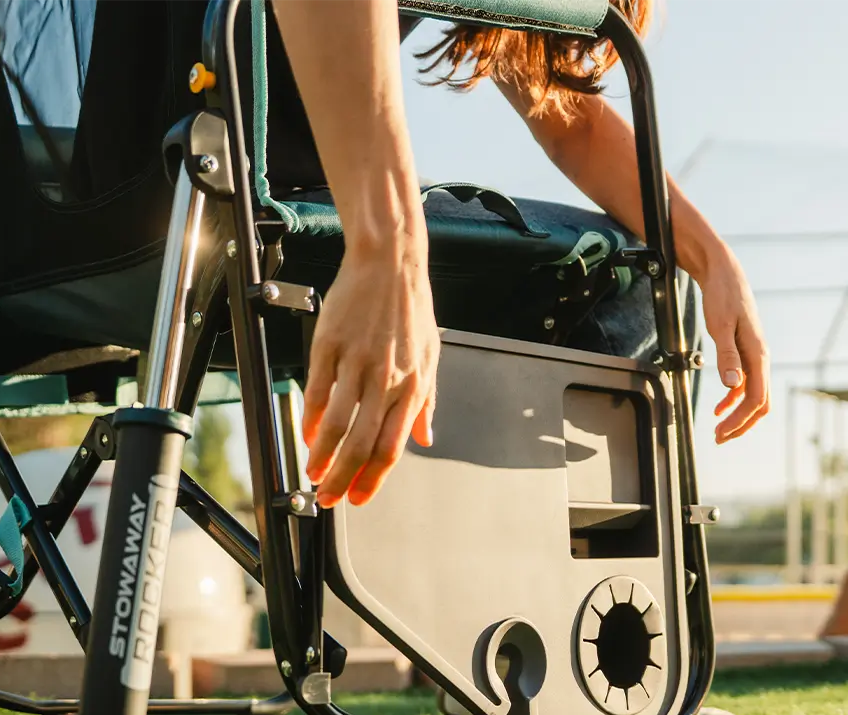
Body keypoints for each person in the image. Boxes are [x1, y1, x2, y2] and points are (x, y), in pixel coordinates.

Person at [272, 0, 770, 513]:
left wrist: (713, 260)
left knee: (665, 262)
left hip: (257, 208)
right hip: (260, 207)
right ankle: (581, 559)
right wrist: (388, 251)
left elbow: (568, 120)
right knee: (632, 275)